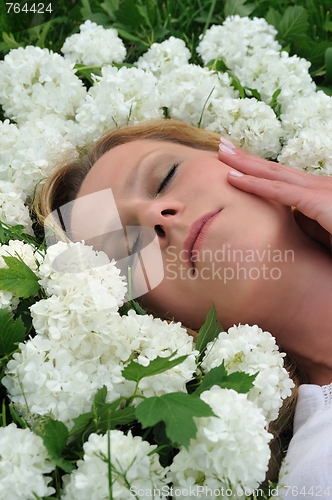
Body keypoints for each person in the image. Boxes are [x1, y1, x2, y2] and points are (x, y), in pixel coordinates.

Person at [34, 119, 332, 495]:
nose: (152, 216)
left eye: (165, 177)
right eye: (128, 250)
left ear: (236, 156)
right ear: (158, 320)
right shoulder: (318, 472)